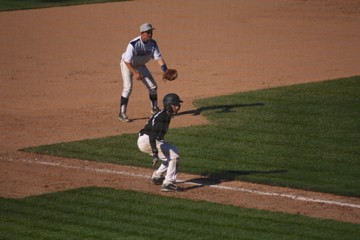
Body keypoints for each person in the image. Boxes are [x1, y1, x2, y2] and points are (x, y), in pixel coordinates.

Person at [118, 23, 173, 122]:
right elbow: (127, 61)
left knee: (153, 87)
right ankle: (122, 113)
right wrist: (134, 73)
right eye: (148, 32)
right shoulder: (133, 44)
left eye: (151, 32)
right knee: (128, 88)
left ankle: (154, 109)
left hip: (140, 65)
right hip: (127, 65)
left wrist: (165, 70)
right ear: (142, 33)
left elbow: (158, 58)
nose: (150, 34)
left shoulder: (153, 43)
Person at [137, 93, 183, 192]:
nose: (178, 107)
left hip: (151, 139)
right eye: (175, 105)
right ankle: (168, 183)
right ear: (169, 105)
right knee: (173, 156)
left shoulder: (166, 114)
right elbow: (153, 135)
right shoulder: (162, 117)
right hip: (147, 141)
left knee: (175, 151)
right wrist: (155, 152)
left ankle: (157, 176)